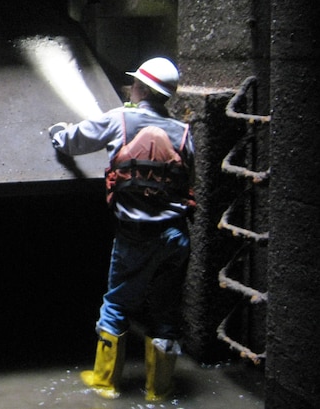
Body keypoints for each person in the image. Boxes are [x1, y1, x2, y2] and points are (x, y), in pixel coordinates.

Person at [49, 56, 195, 401]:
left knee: (116, 305)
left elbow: (75, 141)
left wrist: (58, 136)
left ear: (141, 88)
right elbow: (187, 179)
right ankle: (159, 390)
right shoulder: (184, 132)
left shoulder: (120, 119)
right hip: (176, 236)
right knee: (166, 310)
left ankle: (105, 384)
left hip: (136, 235)